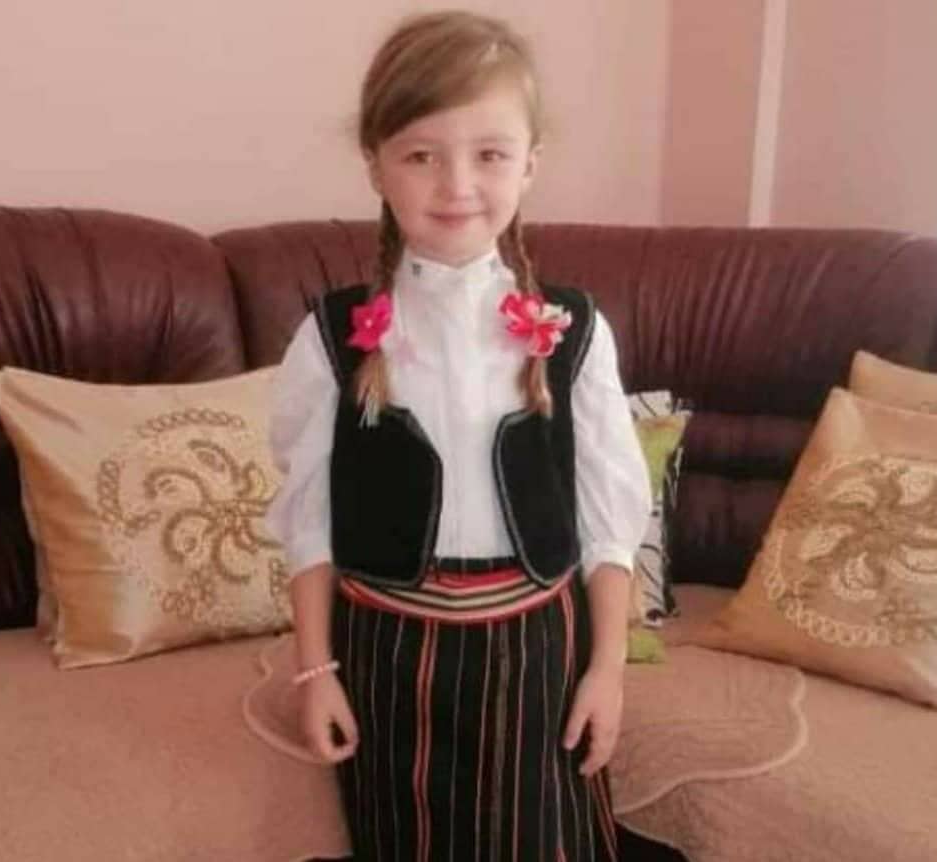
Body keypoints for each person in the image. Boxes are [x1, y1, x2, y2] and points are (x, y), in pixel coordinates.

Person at [265, 10, 652, 860]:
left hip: (537, 656)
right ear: (376, 165)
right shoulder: (332, 338)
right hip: (389, 657)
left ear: (530, 164)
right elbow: (309, 522)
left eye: (490, 154)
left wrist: (608, 669)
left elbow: (609, 525)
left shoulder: (573, 332)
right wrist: (316, 671)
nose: (456, 184)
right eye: (421, 155)